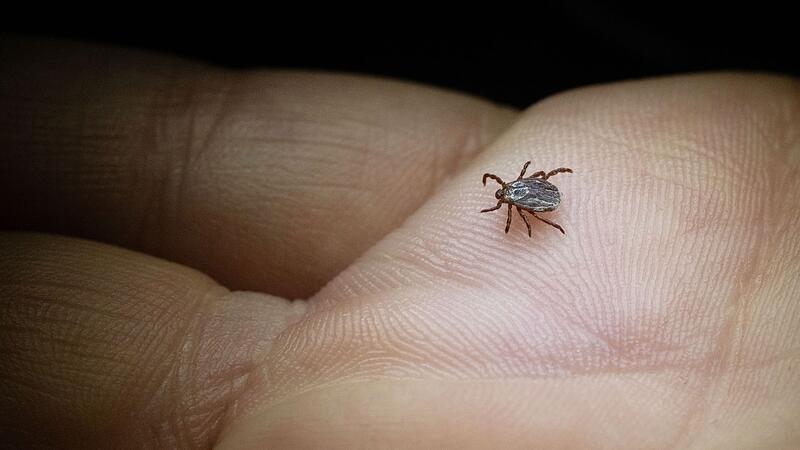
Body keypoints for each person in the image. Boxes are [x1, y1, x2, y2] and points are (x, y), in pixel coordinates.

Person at [1, 36, 798, 448]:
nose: (515, 201)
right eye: (515, 200)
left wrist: (523, 207)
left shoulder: (523, 199)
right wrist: (524, 203)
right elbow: (535, 188)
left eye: (517, 199)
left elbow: (532, 193)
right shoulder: (525, 195)